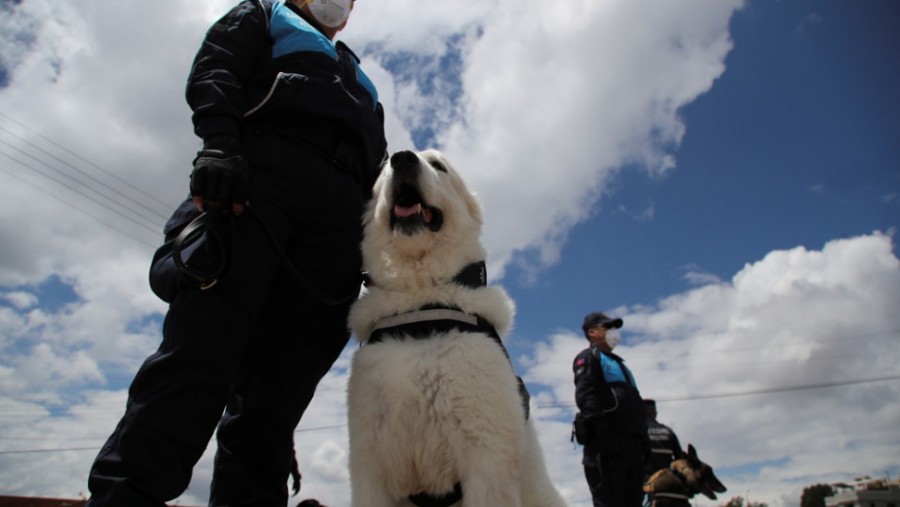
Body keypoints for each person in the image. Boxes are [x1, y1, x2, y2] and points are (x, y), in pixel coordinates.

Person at [86, 0, 386, 505]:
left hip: (337, 237)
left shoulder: (361, 81)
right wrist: (220, 147)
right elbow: (217, 67)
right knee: (197, 362)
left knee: (275, 404)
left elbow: (377, 167)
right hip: (256, 194)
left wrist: (380, 246)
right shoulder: (263, 14)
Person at [573, 311, 648, 507]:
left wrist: (644, 442)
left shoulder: (620, 364)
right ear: (592, 333)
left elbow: (636, 403)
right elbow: (586, 397)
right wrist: (604, 437)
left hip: (633, 448)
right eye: (607, 327)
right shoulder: (588, 358)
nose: (613, 332)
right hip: (607, 449)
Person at [643, 399, 682, 480]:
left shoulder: (639, 431)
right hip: (666, 480)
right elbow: (680, 458)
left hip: (644, 480)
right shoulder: (669, 431)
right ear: (655, 413)